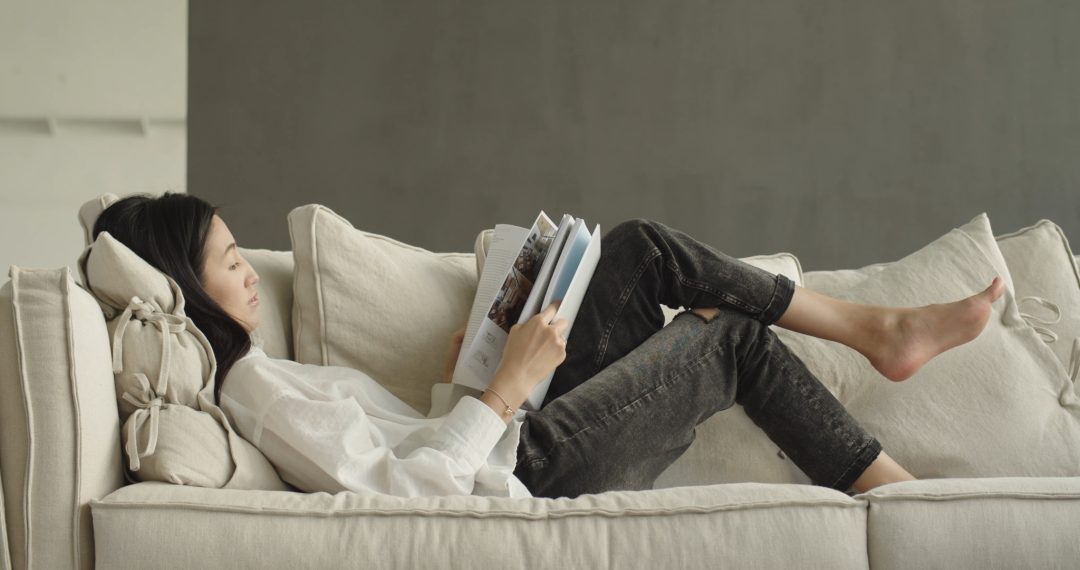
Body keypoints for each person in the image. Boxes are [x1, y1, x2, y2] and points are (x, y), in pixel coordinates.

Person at [92, 192, 1005, 499]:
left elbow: (400, 454)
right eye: (223, 259)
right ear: (182, 282)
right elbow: (410, 500)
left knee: (640, 248)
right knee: (723, 343)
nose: (247, 270)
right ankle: (901, 494)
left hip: (505, 436)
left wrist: (467, 381)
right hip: (525, 469)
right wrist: (498, 395)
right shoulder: (257, 396)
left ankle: (874, 329)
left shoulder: (266, 375)